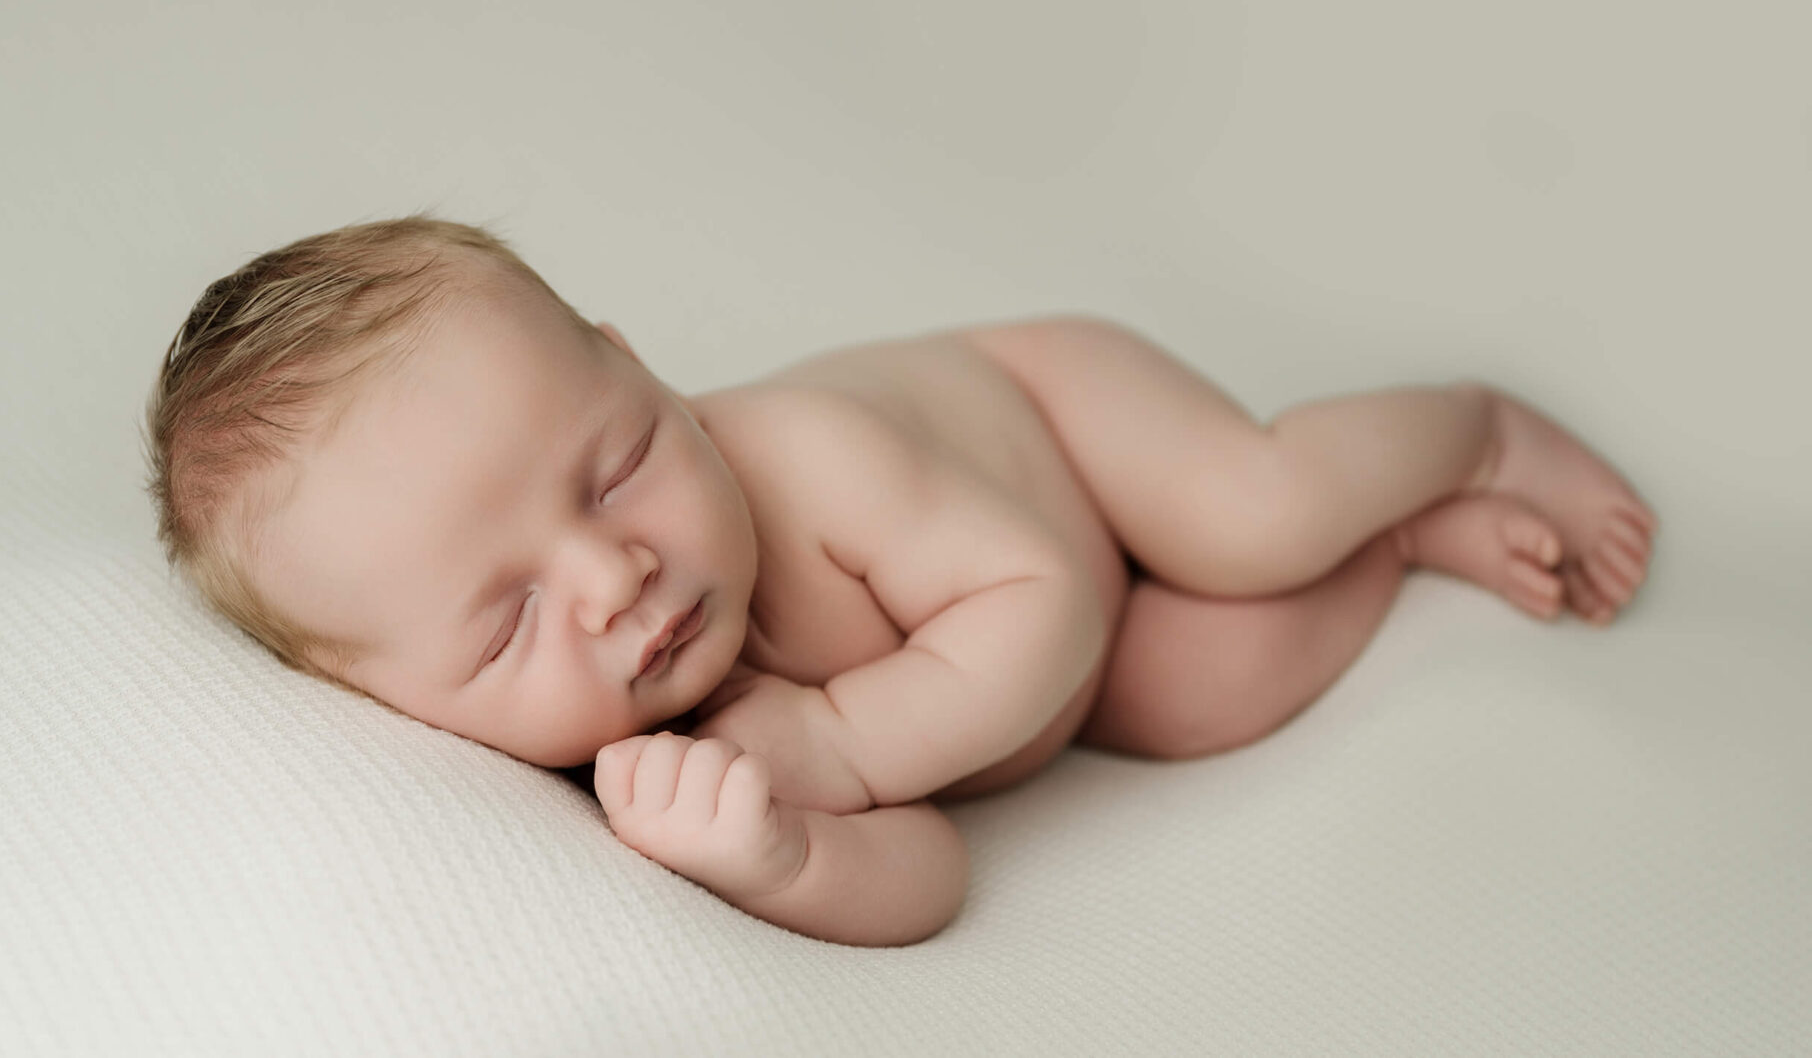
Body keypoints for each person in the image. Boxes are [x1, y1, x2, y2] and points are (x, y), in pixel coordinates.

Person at [144, 214, 1657, 947]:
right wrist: (777, 861)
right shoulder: (633, 754)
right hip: (1047, 686)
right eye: (509, 619)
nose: (616, 572)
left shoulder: (811, 458)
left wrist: (846, 743)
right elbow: (930, 874)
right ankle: (1397, 541)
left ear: (640, 364)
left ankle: (1467, 425)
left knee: (1245, 521)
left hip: (1063, 443)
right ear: (398, 705)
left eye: (614, 468)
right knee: (1197, 700)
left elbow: (1043, 604)